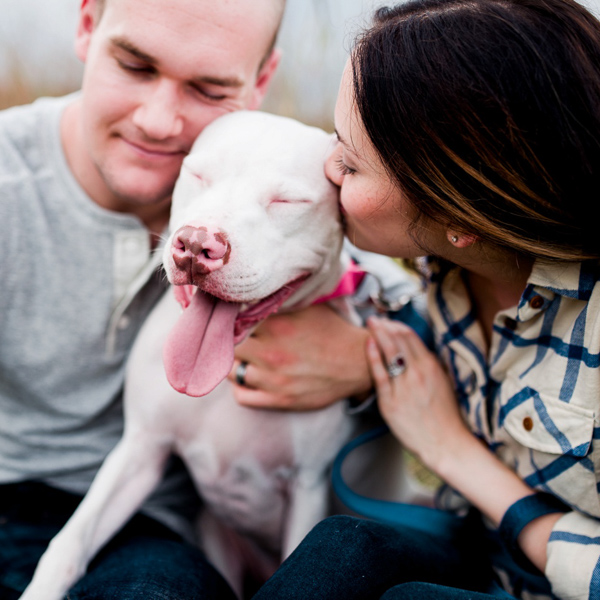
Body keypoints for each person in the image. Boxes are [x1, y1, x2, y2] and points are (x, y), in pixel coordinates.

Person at [244, 0, 600, 598]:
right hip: (478, 561)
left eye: (351, 162)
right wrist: (367, 358)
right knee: (343, 549)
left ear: (460, 213)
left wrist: (453, 452)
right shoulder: (450, 270)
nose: (328, 168)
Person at [0, 0, 285, 597]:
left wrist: (359, 349)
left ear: (260, 83)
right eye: (135, 65)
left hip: (151, 527)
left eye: (208, 89)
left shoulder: (269, 202)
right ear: (85, 27)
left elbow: (367, 275)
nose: (159, 121)